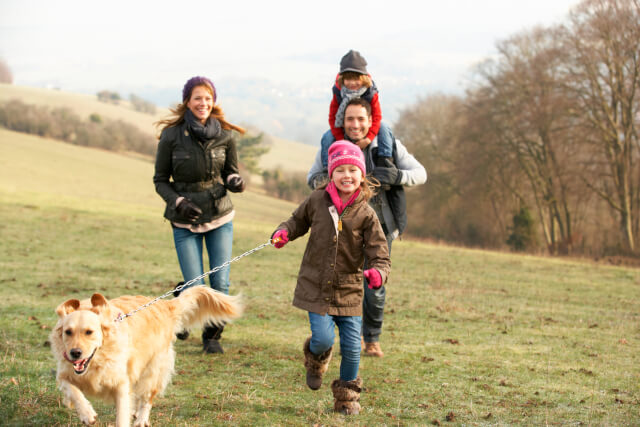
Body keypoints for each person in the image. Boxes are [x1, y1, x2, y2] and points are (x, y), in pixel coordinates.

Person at [271, 141, 390, 415]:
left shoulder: (367, 214)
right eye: (340, 170)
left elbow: (381, 255)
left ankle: (347, 399)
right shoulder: (316, 200)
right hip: (316, 287)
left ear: (362, 175)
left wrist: (377, 274)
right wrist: (283, 233)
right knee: (323, 339)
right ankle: (315, 361)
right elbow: (295, 221)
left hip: (349, 292)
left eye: (353, 170)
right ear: (331, 174)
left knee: (351, 349)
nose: (347, 175)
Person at [308, 98, 427, 358]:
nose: (355, 124)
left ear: (371, 121)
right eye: (350, 119)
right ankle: (351, 339)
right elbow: (312, 177)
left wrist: (396, 176)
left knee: (375, 283)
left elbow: (421, 173)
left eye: (361, 118)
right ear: (342, 121)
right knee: (343, 283)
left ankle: (372, 339)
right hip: (341, 227)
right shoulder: (331, 145)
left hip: (381, 226)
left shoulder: (389, 145)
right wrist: (330, 182)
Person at [153, 76, 246, 354]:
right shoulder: (171, 136)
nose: (203, 103)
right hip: (184, 219)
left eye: (207, 98)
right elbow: (160, 179)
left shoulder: (226, 135)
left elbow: (231, 170)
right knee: (196, 284)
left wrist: (234, 181)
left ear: (213, 101)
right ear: (188, 102)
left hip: (219, 215)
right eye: (197, 98)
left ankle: (212, 336)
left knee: (220, 282)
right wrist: (178, 201)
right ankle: (183, 298)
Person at [320, 50, 394, 171]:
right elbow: (333, 117)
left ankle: (385, 162)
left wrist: (368, 138)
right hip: (344, 128)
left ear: (363, 78)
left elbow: (376, 116)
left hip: (368, 127)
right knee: (327, 137)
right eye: (348, 79)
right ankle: (326, 168)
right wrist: (341, 139)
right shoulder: (339, 93)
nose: (352, 83)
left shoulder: (370, 92)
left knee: (384, 128)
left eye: (356, 79)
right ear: (342, 79)